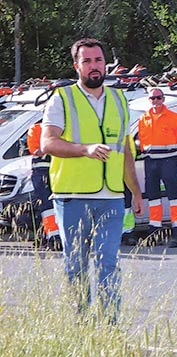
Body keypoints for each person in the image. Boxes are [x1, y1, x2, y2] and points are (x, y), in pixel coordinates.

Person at [40, 38, 144, 319]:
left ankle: (110, 325)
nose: (94, 66)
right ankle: (82, 323)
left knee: (108, 263)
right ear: (77, 66)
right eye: (87, 61)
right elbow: (47, 143)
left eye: (98, 60)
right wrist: (84, 149)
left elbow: (125, 151)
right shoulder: (62, 98)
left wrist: (135, 192)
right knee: (76, 265)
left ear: (105, 63)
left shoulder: (119, 100)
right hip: (72, 196)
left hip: (111, 197)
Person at [137, 86, 177, 247]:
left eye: (158, 97)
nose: (156, 101)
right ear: (149, 100)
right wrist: (146, 155)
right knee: (153, 199)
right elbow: (142, 141)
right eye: (153, 98)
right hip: (151, 162)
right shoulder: (143, 118)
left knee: (174, 198)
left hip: (168, 162)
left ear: (163, 99)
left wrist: (175, 157)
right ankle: (154, 232)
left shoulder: (174, 117)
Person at [26, 120, 61, 250]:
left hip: (55, 172)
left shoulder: (38, 129)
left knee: (49, 205)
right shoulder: (37, 129)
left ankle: (54, 236)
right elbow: (36, 150)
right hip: (45, 172)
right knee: (47, 205)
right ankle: (52, 236)